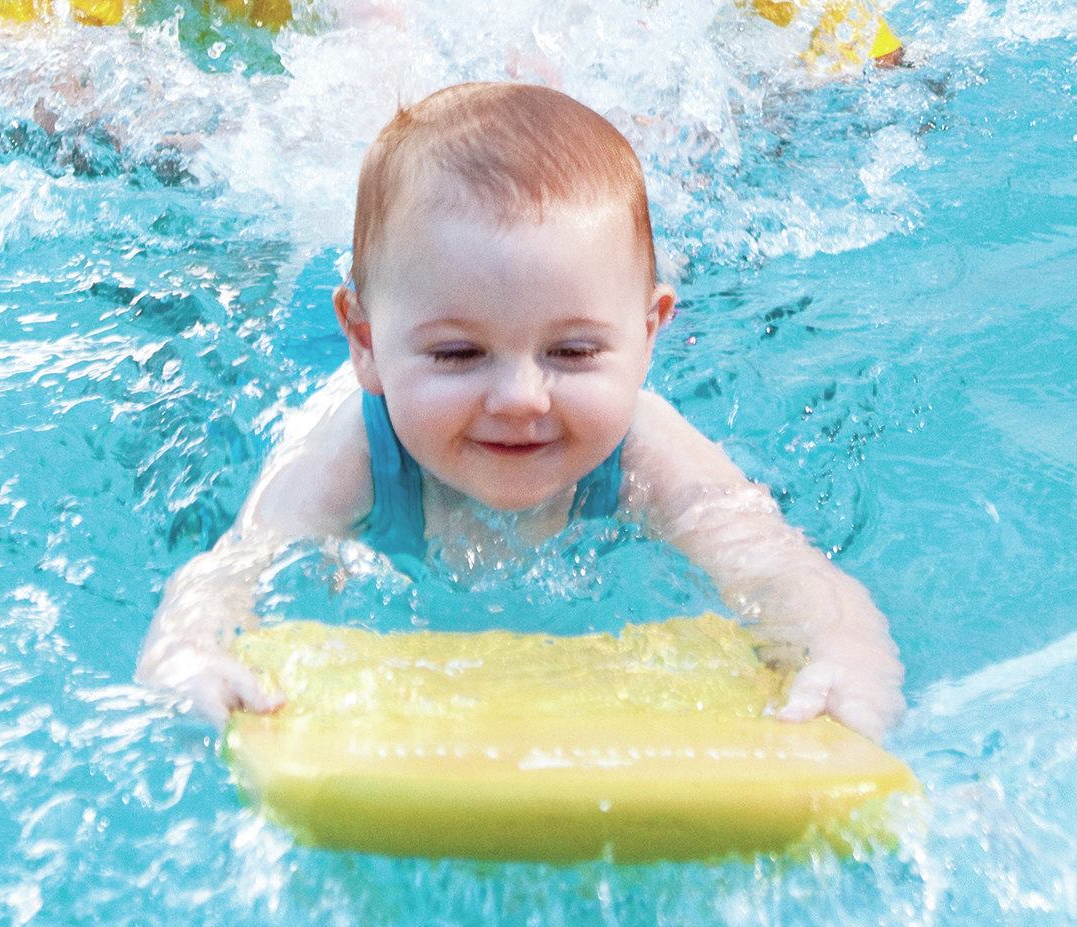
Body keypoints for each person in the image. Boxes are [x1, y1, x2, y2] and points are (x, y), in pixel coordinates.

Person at [136, 81, 906, 742]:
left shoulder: (649, 446)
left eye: (572, 353)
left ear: (647, 336)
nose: (518, 398)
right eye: (457, 355)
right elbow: (236, 565)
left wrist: (837, 656)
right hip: (291, 341)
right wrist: (192, 651)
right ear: (367, 343)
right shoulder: (344, 447)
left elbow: (778, 565)